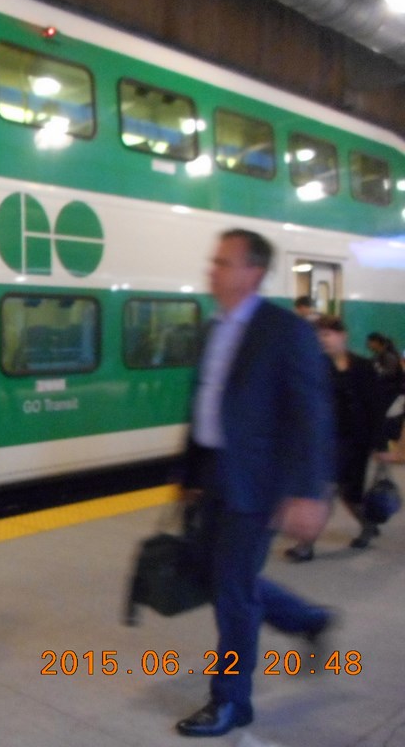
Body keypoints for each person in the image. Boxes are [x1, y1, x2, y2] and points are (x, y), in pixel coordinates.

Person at [177, 229, 335, 738]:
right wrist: (188, 476)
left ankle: (230, 702)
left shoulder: (284, 330)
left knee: (232, 594)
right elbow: (205, 403)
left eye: (223, 262)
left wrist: (309, 491)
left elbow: (311, 414)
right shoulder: (213, 328)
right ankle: (306, 617)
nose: (212, 270)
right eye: (214, 260)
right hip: (212, 475)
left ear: (252, 273)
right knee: (215, 574)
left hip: (257, 484)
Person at [285, 315, 384, 559]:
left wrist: (379, 444)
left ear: (343, 335)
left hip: (356, 441)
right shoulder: (317, 366)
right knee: (329, 489)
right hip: (327, 440)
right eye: (319, 336)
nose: (322, 340)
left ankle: (364, 527)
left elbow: (375, 406)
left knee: (346, 493)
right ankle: (308, 544)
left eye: (327, 334)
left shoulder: (363, 366)